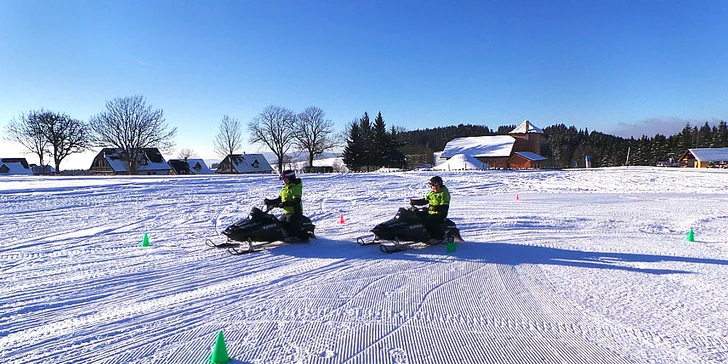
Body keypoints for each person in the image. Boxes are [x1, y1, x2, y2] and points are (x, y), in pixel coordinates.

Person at [264, 169, 306, 242]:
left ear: (290, 178)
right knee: (278, 225)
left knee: (290, 226)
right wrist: (270, 201)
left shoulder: (296, 187)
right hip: (286, 212)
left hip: (295, 212)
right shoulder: (285, 187)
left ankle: (302, 237)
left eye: (285, 179)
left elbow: (296, 200)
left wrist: (285, 204)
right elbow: (280, 199)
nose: (284, 181)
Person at [409, 176, 451, 242]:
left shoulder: (444, 193)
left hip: (440, 214)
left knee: (427, 221)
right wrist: (415, 202)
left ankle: (437, 237)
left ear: (439, 184)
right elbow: (424, 201)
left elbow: (444, 207)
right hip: (431, 212)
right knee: (416, 216)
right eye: (432, 185)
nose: (433, 187)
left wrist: (435, 208)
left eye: (435, 185)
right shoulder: (432, 193)